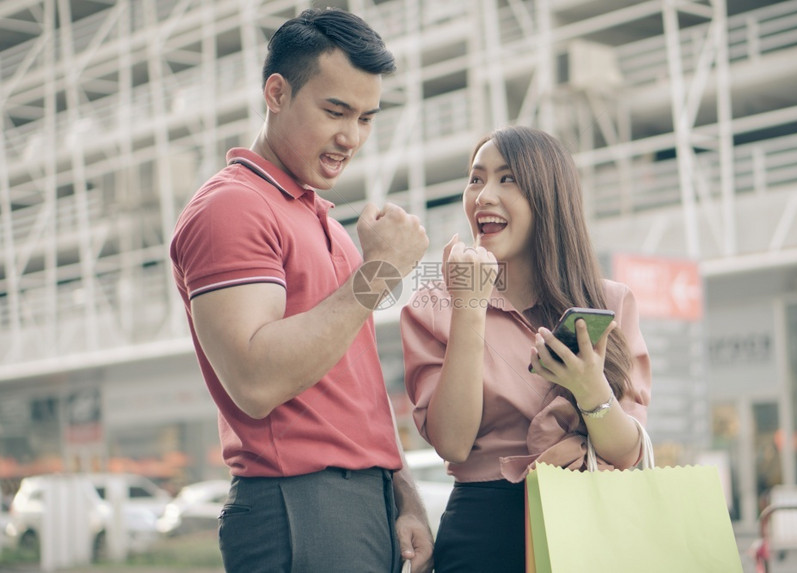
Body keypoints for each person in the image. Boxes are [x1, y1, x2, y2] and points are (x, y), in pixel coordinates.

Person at [170, 8, 433, 573]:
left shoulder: (325, 222)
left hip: (362, 504)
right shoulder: (231, 207)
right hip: (300, 505)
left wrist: (403, 493)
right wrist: (378, 273)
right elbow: (256, 380)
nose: (351, 136)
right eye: (335, 111)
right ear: (276, 92)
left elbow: (353, 392)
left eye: (366, 118)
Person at [400, 125, 652, 572]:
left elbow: (628, 453)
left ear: (548, 198)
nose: (484, 196)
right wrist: (470, 308)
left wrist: (589, 387)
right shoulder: (435, 306)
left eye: (507, 179)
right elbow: (453, 443)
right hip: (484, 533)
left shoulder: (608, 303)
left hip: (590, 525)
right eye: (476, 179)